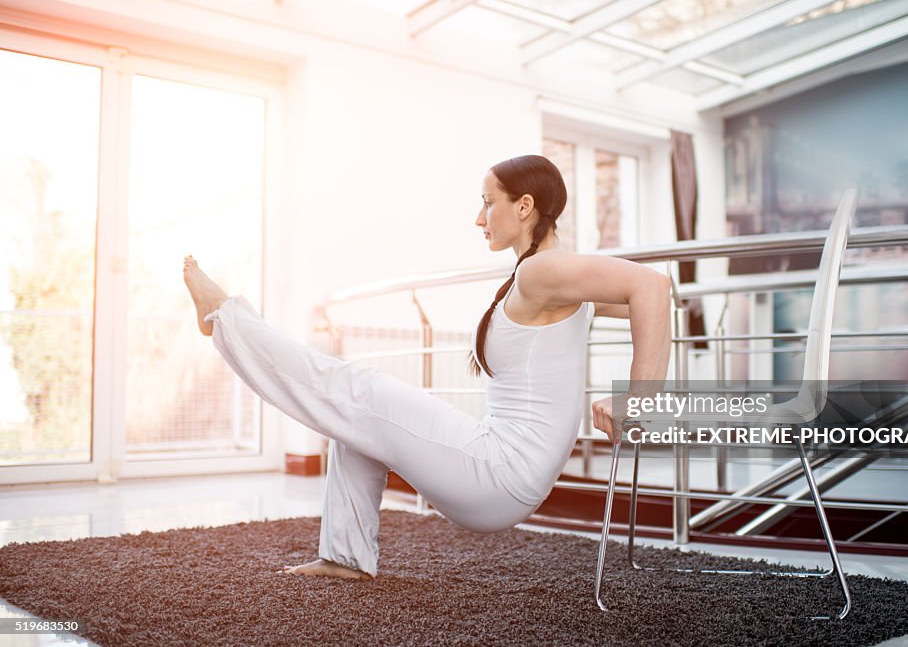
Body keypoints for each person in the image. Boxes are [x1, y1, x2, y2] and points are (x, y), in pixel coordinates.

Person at [183, 154, 670, 580]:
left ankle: (225, 319)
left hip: (499, 472)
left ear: (524, 206)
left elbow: (651, 288)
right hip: (503, 468)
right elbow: (654, 300)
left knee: (358, 389)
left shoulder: (545, 270)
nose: (478, 217)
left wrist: (639, 398)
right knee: (356, 417)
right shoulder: (552, 280)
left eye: (487, 201)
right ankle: (345, 557)